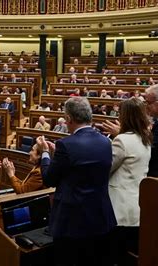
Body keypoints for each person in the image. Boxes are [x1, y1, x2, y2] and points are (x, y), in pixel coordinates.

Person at [36, 97, 116, 266]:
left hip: (72, 221)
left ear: (69, 119)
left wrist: (44, 153)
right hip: (101, 216)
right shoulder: (106, 142)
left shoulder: (66, 145)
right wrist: (58, 156)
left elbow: (50, 179)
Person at [106, 98, 152, 266]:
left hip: (120, 206)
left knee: (115, 254)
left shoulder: (122, 140)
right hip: (137, 203)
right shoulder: (145, 138)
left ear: (125, 117)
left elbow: (107, 168)